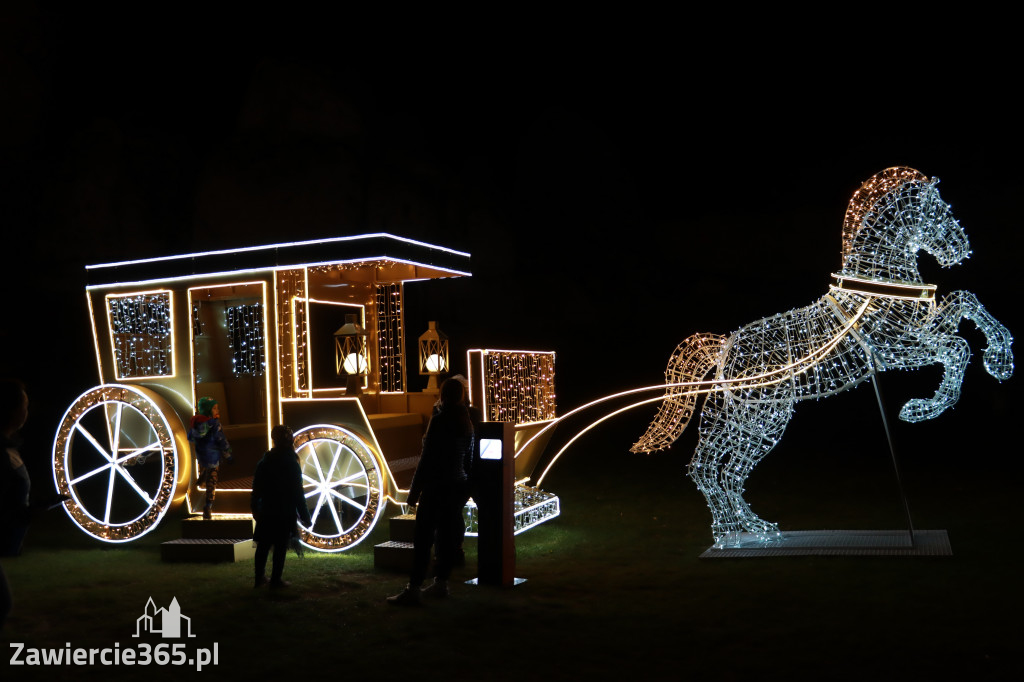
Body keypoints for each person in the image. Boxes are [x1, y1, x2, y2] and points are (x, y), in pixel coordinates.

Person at [388, 378, 474, 606]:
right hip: (456, 487)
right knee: (446, 538)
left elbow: (426, 461)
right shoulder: (466, 421)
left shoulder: (439, 421)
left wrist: (414, 493)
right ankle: (441, 583)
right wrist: (466, 488)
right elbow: (468, 460)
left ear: (443, 395)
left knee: (423, 538)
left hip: (436, 487)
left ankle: (414, 588)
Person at [0, 379, 66, 629]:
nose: (28, 412)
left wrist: (35, 509)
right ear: (12, 411)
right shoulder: (3, 453)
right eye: (25, 406)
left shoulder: (9, 448)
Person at [251, 425, 312, 589]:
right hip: (284, 510)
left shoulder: (265, 461)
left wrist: (255, 507)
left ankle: (259, 578)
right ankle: (275, 580)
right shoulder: (291, 463)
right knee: (280, 547)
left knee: (263, 545)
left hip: (267, 509)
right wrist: (305, 516)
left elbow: (256, 488)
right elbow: (297, 491)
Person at [188, 397, 232, 520]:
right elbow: (221, 439)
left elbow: (191, 437)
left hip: (201, 454)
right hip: (213, 455)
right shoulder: (214, 424)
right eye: (214, 408)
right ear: (208, 410)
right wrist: (227, 453)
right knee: (212, 480)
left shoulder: (196, 422)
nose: (217, 410)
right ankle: (208, 505)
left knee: (208, 471)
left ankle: (203, 475)